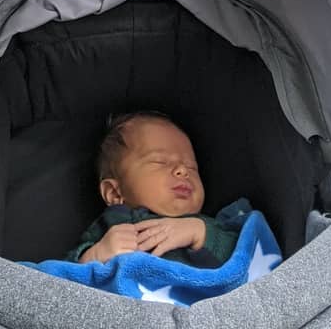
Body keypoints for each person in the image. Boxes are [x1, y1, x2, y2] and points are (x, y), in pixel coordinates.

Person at [66, 112, 252, 266]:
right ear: (114, 193)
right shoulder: (111, 226)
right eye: (160, 162)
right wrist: (95, 255)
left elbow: (246, 259)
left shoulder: (208, 225)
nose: (182, 170)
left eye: (192, 167)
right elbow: (65, 278)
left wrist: (200, 233)